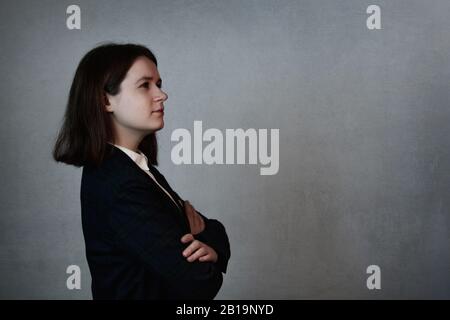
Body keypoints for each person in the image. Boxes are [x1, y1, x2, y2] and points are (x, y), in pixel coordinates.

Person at [52, 42, 231, 299]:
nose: (162, 95)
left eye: (158, 84)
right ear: (105, 100)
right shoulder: (119, 183)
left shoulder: (135, 168)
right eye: (145, 85)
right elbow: (198, 281)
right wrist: (204, 245)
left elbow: (209, 228)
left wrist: (207, 240)